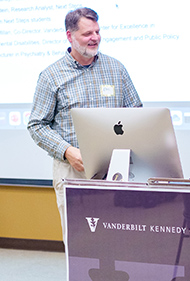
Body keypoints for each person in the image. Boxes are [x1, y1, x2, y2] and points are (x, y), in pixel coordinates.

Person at [27, 7, 142, 242]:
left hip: (115, 169)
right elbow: (37, 125)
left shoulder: (116, 69)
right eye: (87, 33)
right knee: (81, 241)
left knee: (119, 239)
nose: (95, 38)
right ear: (70, 36)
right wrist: (67, 151)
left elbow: (136, 113)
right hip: (73, 169)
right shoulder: (51, 76)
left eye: (97, 32)